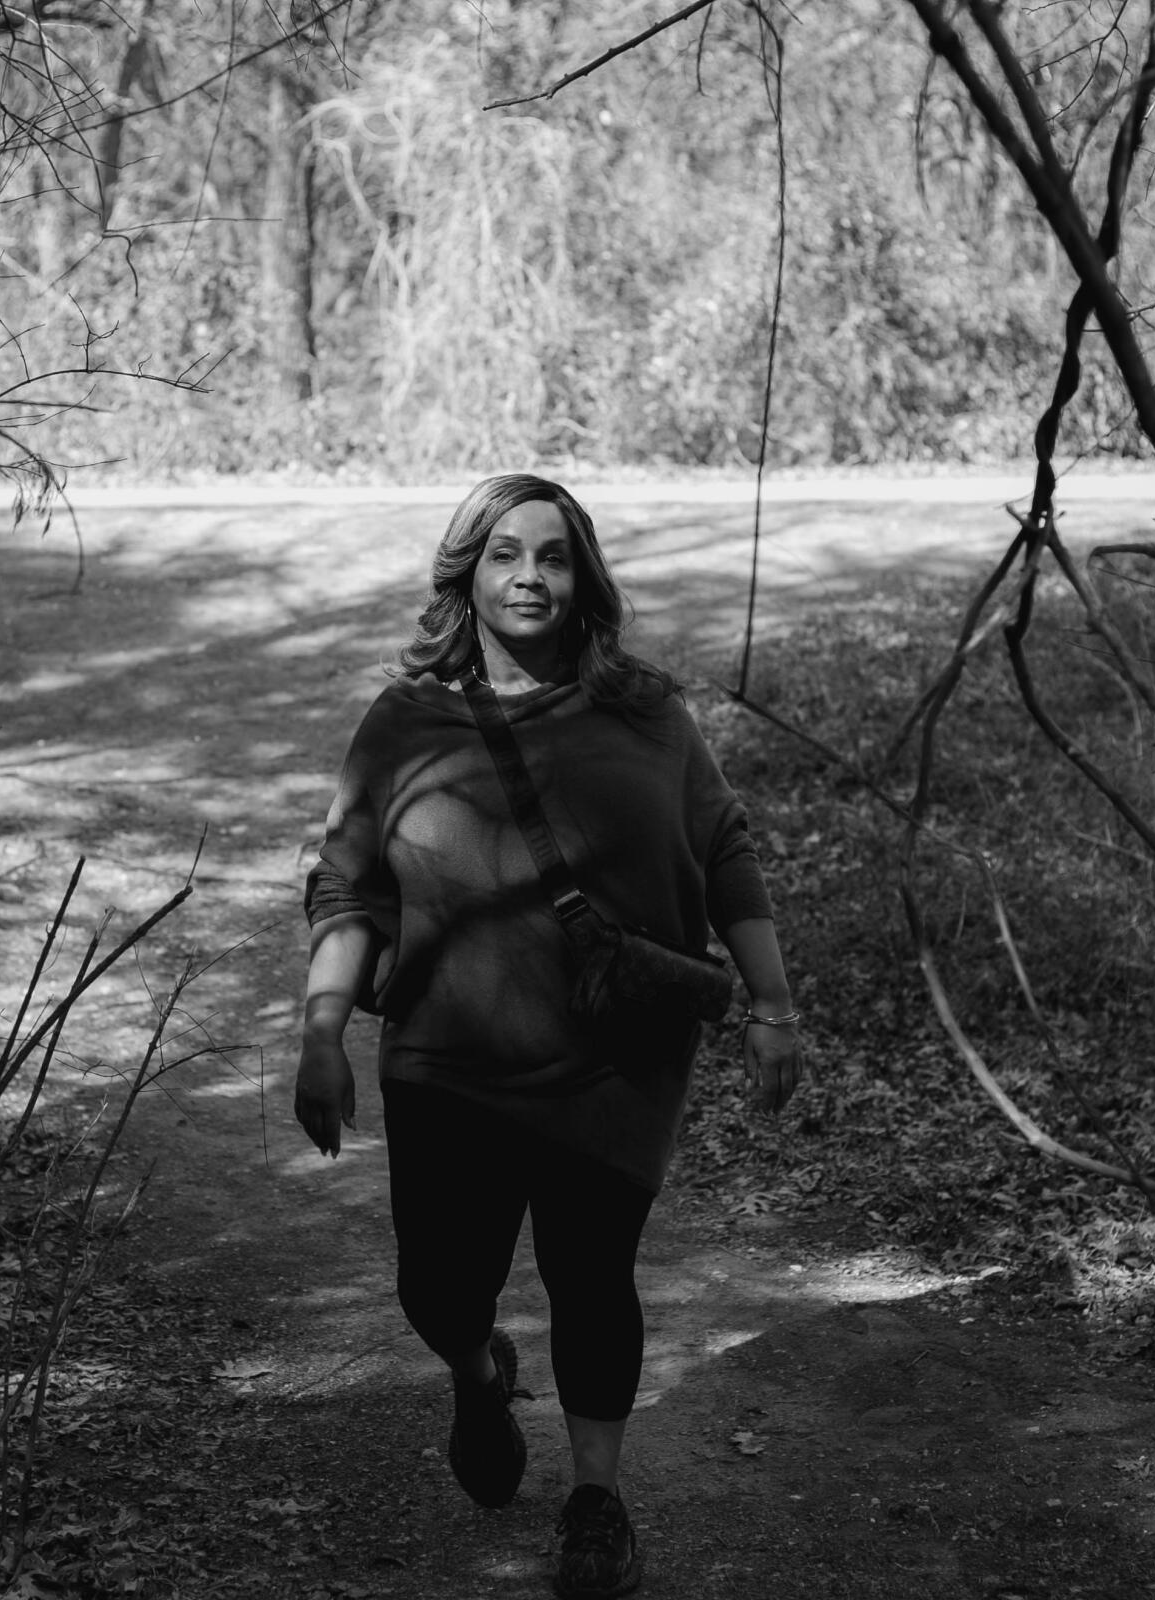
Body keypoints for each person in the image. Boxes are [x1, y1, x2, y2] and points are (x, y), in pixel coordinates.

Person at [294, 474, 800, 1599]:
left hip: (609, 1058)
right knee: (437, 1287)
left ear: (583, 578)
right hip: (447, 1055)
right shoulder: (404, 719)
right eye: (505, 554)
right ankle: (478, 1372)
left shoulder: (645, 713)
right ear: (465, 575)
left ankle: (595, 1502)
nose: (530, 575)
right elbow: (345, 886)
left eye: (554, 556)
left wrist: (771, 1008)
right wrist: (322, 1030)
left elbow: (723, 848)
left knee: (590, 1274)